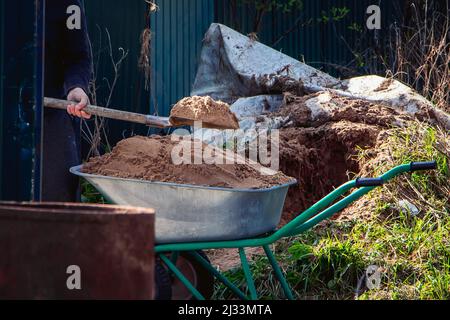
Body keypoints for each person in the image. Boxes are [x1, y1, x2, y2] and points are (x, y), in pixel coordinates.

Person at [43, 0, 92, 202]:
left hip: (51, 109)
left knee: (60, 191)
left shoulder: (69, 6)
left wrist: (76, 87)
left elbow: (78, 57)